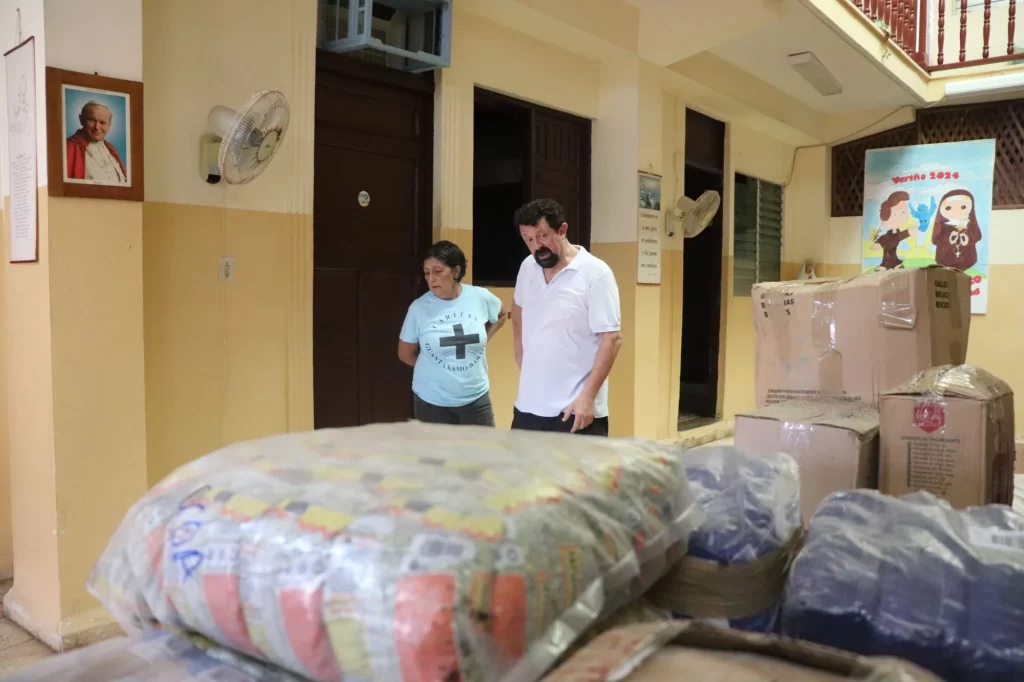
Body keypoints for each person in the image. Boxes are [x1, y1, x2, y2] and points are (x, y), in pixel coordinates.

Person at [511, 198, 623, 436]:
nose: (536, 246)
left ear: (562, 230)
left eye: (542, 236)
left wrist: (588, 397)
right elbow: (518, 307)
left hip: (575, 410)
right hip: (529, 407)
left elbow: (611, 338)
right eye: (528, 239)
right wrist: (520, 352)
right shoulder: (527, 268)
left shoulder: (596, 273)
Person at [398, 241, 507, 426]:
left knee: (483, 454)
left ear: (456, 271)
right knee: (435, 455)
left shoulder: (480, 297)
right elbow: (405, 354)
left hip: (476, 399)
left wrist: (484, 340)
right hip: (432, 402)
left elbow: (502, 314)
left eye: (438, 271)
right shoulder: (418, 308)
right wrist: (437, 369)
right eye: (426, 272)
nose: (431, 278)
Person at [66, 101, 128, 185]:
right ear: (81, 120)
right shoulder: (68, 147)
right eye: (91, 120)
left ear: (109, 125)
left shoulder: (111, 149)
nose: (97, 128)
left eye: (102, 122)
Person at [932, 188, 982, 272]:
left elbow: (977, 236)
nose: (956, 211)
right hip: (945, 261)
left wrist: (966, 235)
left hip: (967, 261)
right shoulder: (943, 227)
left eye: (963, 207)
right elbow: (936, 240)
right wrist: (949, 238)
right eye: (948, 208)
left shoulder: (970, 224)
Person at [871, 191, 912, 270]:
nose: (902, 216)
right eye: (896, 214)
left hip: (894, 260)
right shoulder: (887, 236)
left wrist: (909, 231)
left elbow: (901, 236)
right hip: (886, 261)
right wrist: (878, 243)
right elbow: (882, 241)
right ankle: (884, 266)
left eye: (904, 212)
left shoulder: (897, 233)